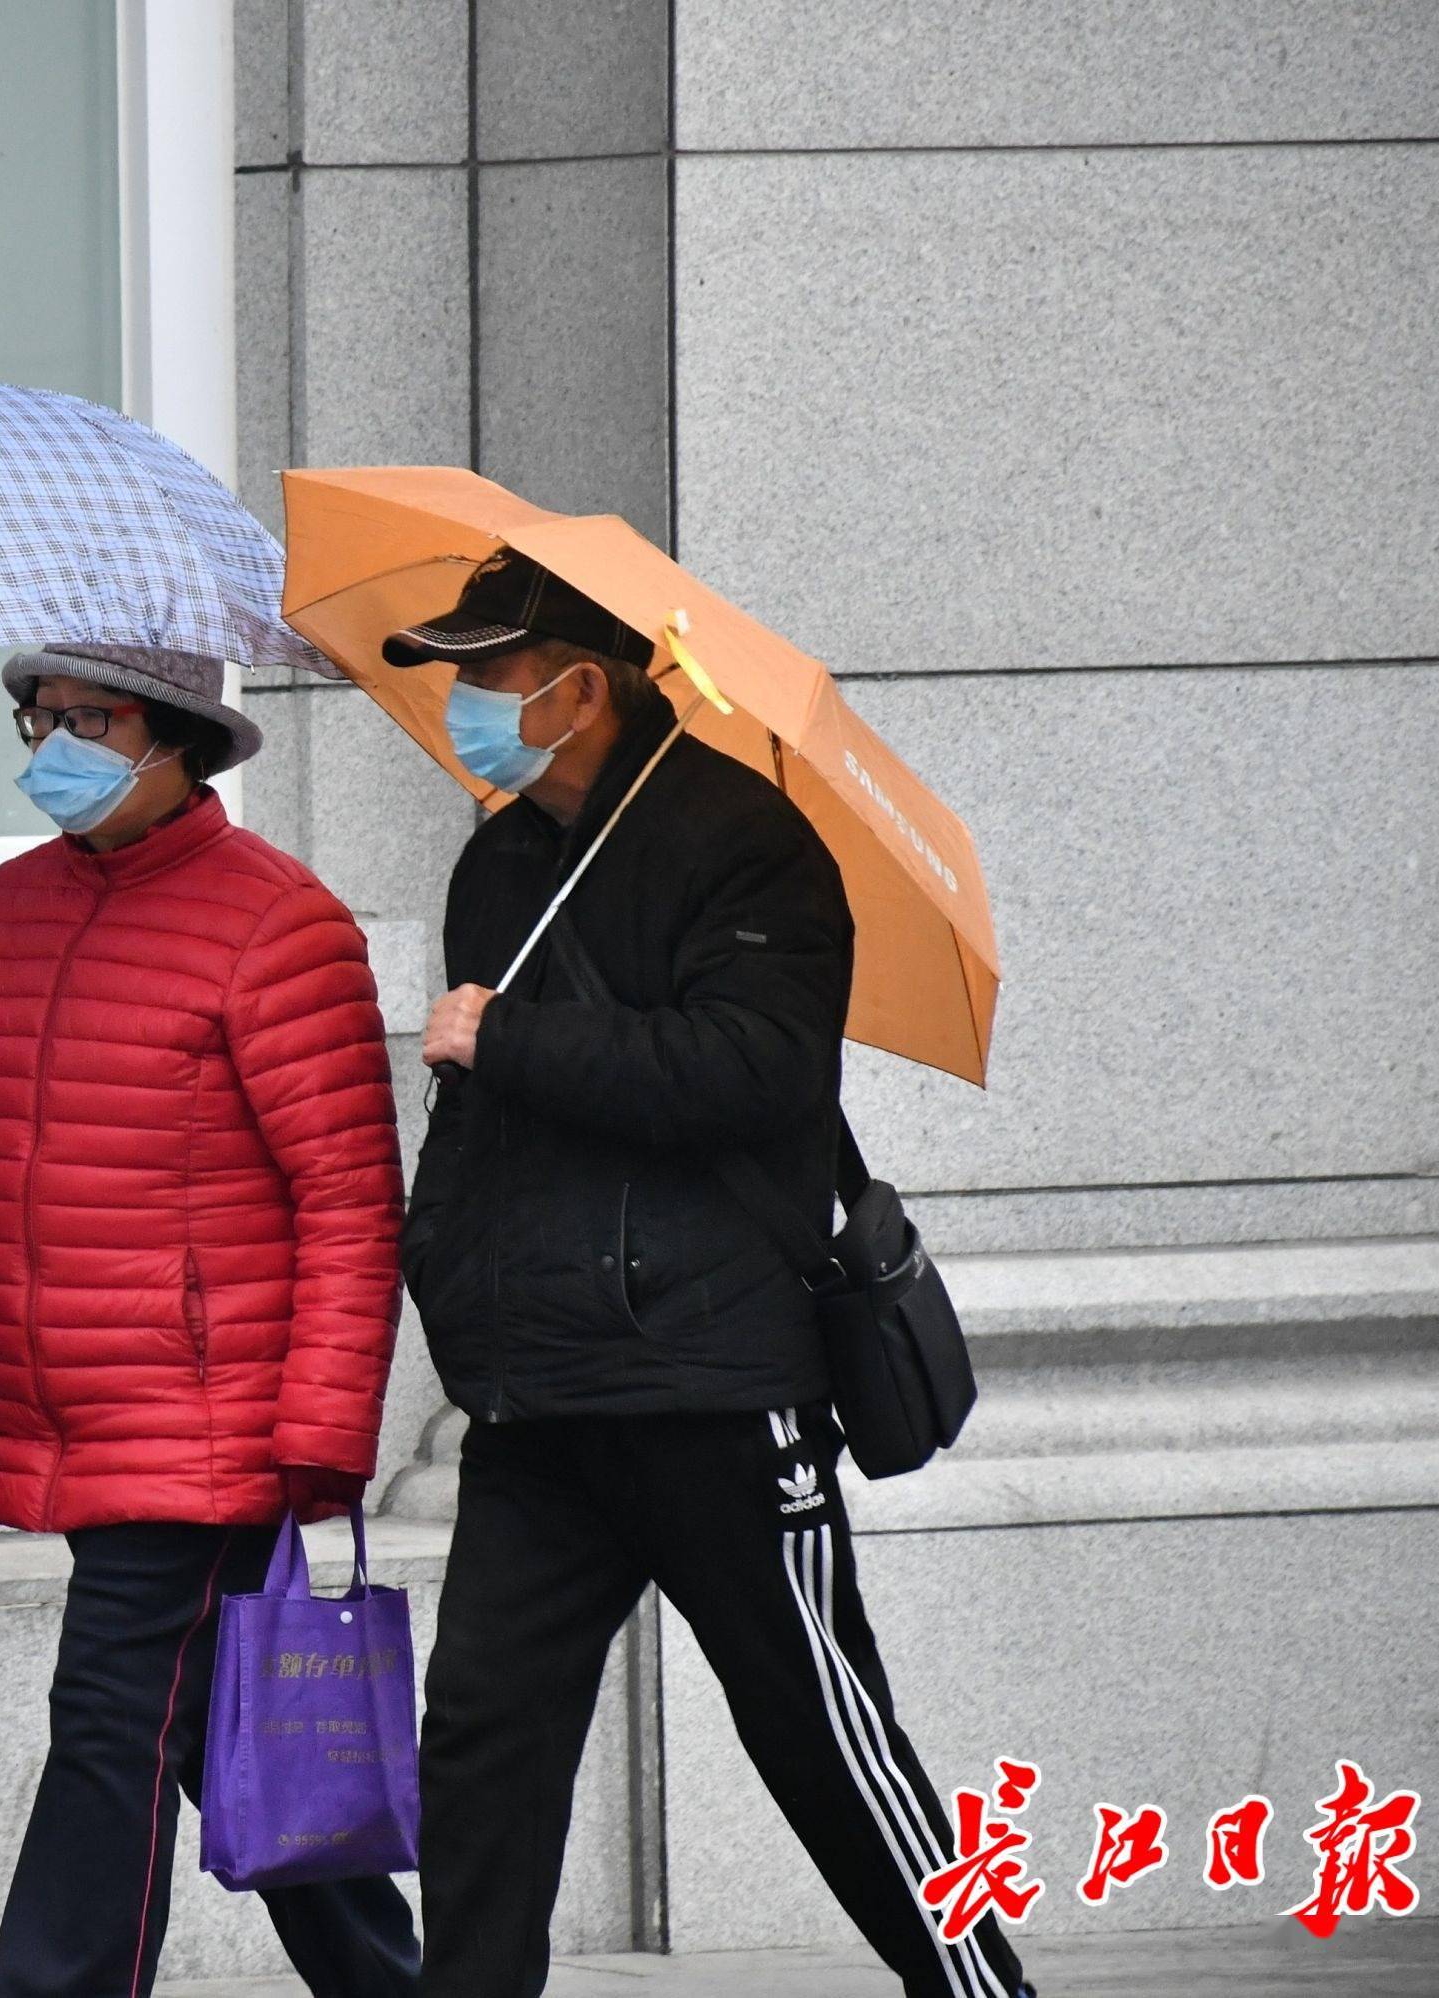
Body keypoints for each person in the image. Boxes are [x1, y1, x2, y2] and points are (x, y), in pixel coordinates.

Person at [394, 558, 1034, 1998]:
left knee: (823, 1739)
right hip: (539, 1399)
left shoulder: (747, 843)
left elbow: (755, 1072)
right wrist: (439, 1257)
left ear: (581, 685)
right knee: (480, 1746)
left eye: (490, 675)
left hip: (713, 1386)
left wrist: (513, 1040)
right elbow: (475, 1108)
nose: (465, 704)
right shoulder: (497, 863)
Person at [0, 643, 421, 1998]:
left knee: (113, 1723)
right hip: (91, 1413)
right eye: (36, 718)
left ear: (176, 739)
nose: (49, 742)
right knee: (233, 1731)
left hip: (213, 1423)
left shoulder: (277, 922)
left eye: (85, 720)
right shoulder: (10, 907)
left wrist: (324, 1429)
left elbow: (351, 1196)